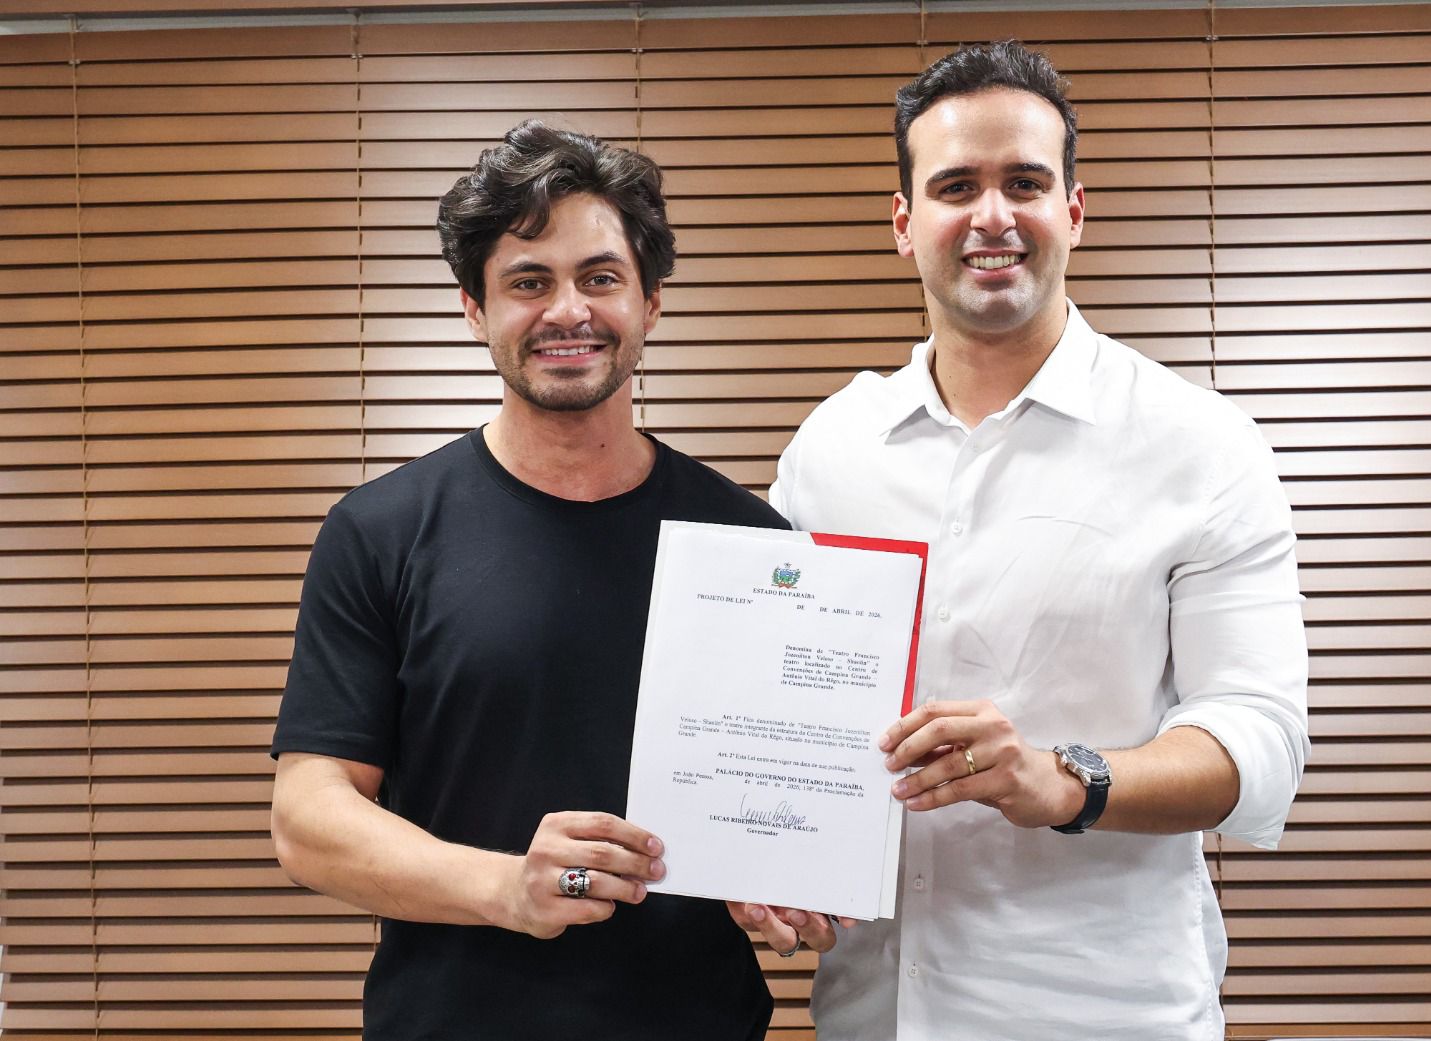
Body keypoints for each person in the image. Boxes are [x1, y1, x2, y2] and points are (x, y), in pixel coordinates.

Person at [741, 41, 1311, 1040]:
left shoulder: (1200, 443)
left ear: (1073, 211)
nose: (992, 215)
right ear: (904, 223)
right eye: (956, 186)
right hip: (873, 1011)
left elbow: (1261, 745)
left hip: (1106, 1016)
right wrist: (767, 854)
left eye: (1025, 183)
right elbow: (786, 714)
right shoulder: (832, 448)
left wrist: (1064, 781)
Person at [269, 120, 782, 1040]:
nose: (567, 311)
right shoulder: (380, 532)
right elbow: (308, 816)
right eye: (529, 282)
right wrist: (506, 886)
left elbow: (778, 794)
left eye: (600, 277)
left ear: (652, 301)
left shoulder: (751, 542)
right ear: (476, 309)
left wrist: (785, 880)